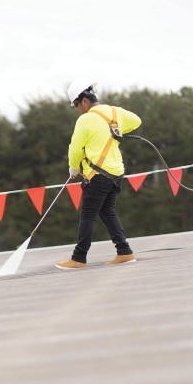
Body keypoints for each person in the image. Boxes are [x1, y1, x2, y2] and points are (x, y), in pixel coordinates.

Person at [56, 80, 142, 269]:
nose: (77, 110)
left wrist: (73, 167)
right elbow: (137, 121)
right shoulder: (114, 112)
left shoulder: (85, 119)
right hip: (117, 172)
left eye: (76, 105)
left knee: (88, 215)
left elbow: (75, 148)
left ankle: (78, 258)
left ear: (84, 101)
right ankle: (124, 252)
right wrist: (116, 131)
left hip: (98, 175)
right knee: (107, 212)